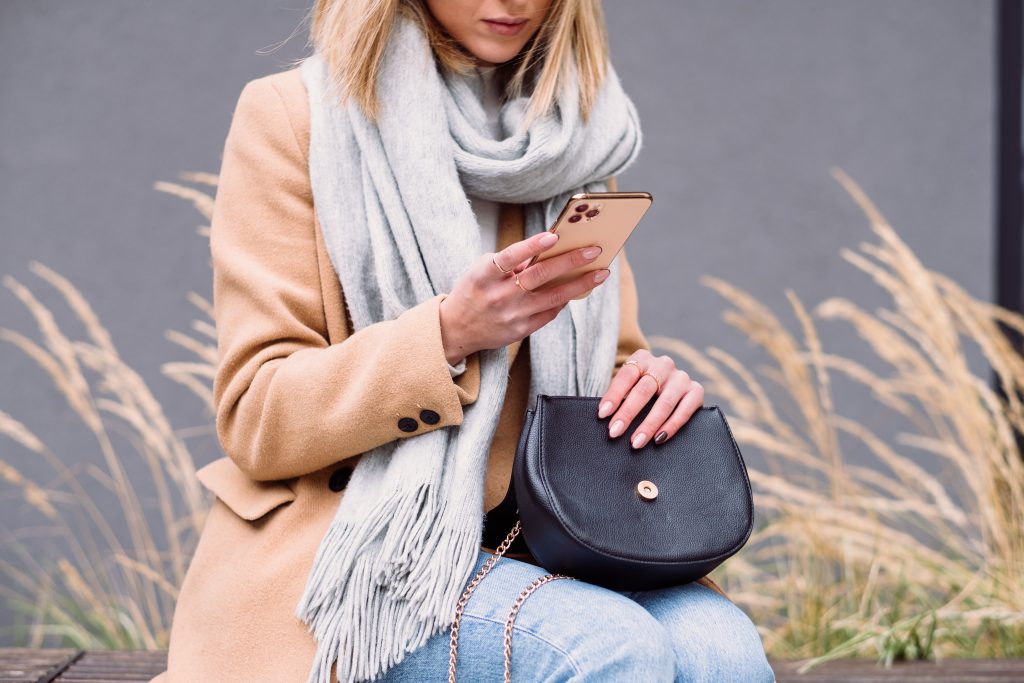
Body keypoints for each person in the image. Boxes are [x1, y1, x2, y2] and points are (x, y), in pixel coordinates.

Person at [151, 1, 776, 681]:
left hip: (550, 541)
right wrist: (446, 335)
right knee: (608, 646)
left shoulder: (574, 139)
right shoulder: (294, 117)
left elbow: (609, 357)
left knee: (725, 652)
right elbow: (256, 411)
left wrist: (646, 388)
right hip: (360, 552)